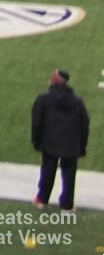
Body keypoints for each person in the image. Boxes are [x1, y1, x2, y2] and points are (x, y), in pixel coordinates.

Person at [31, 68, 89, 210]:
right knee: (69, 176)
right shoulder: (77, 101)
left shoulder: (43, 99)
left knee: (47, 171)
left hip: (49, 143)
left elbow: (36, 122)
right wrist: (82, 146)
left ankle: (41, 199)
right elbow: (84, 125)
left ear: (54, 81)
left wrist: (36, 141)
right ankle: (67, 205)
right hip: (71, 146)